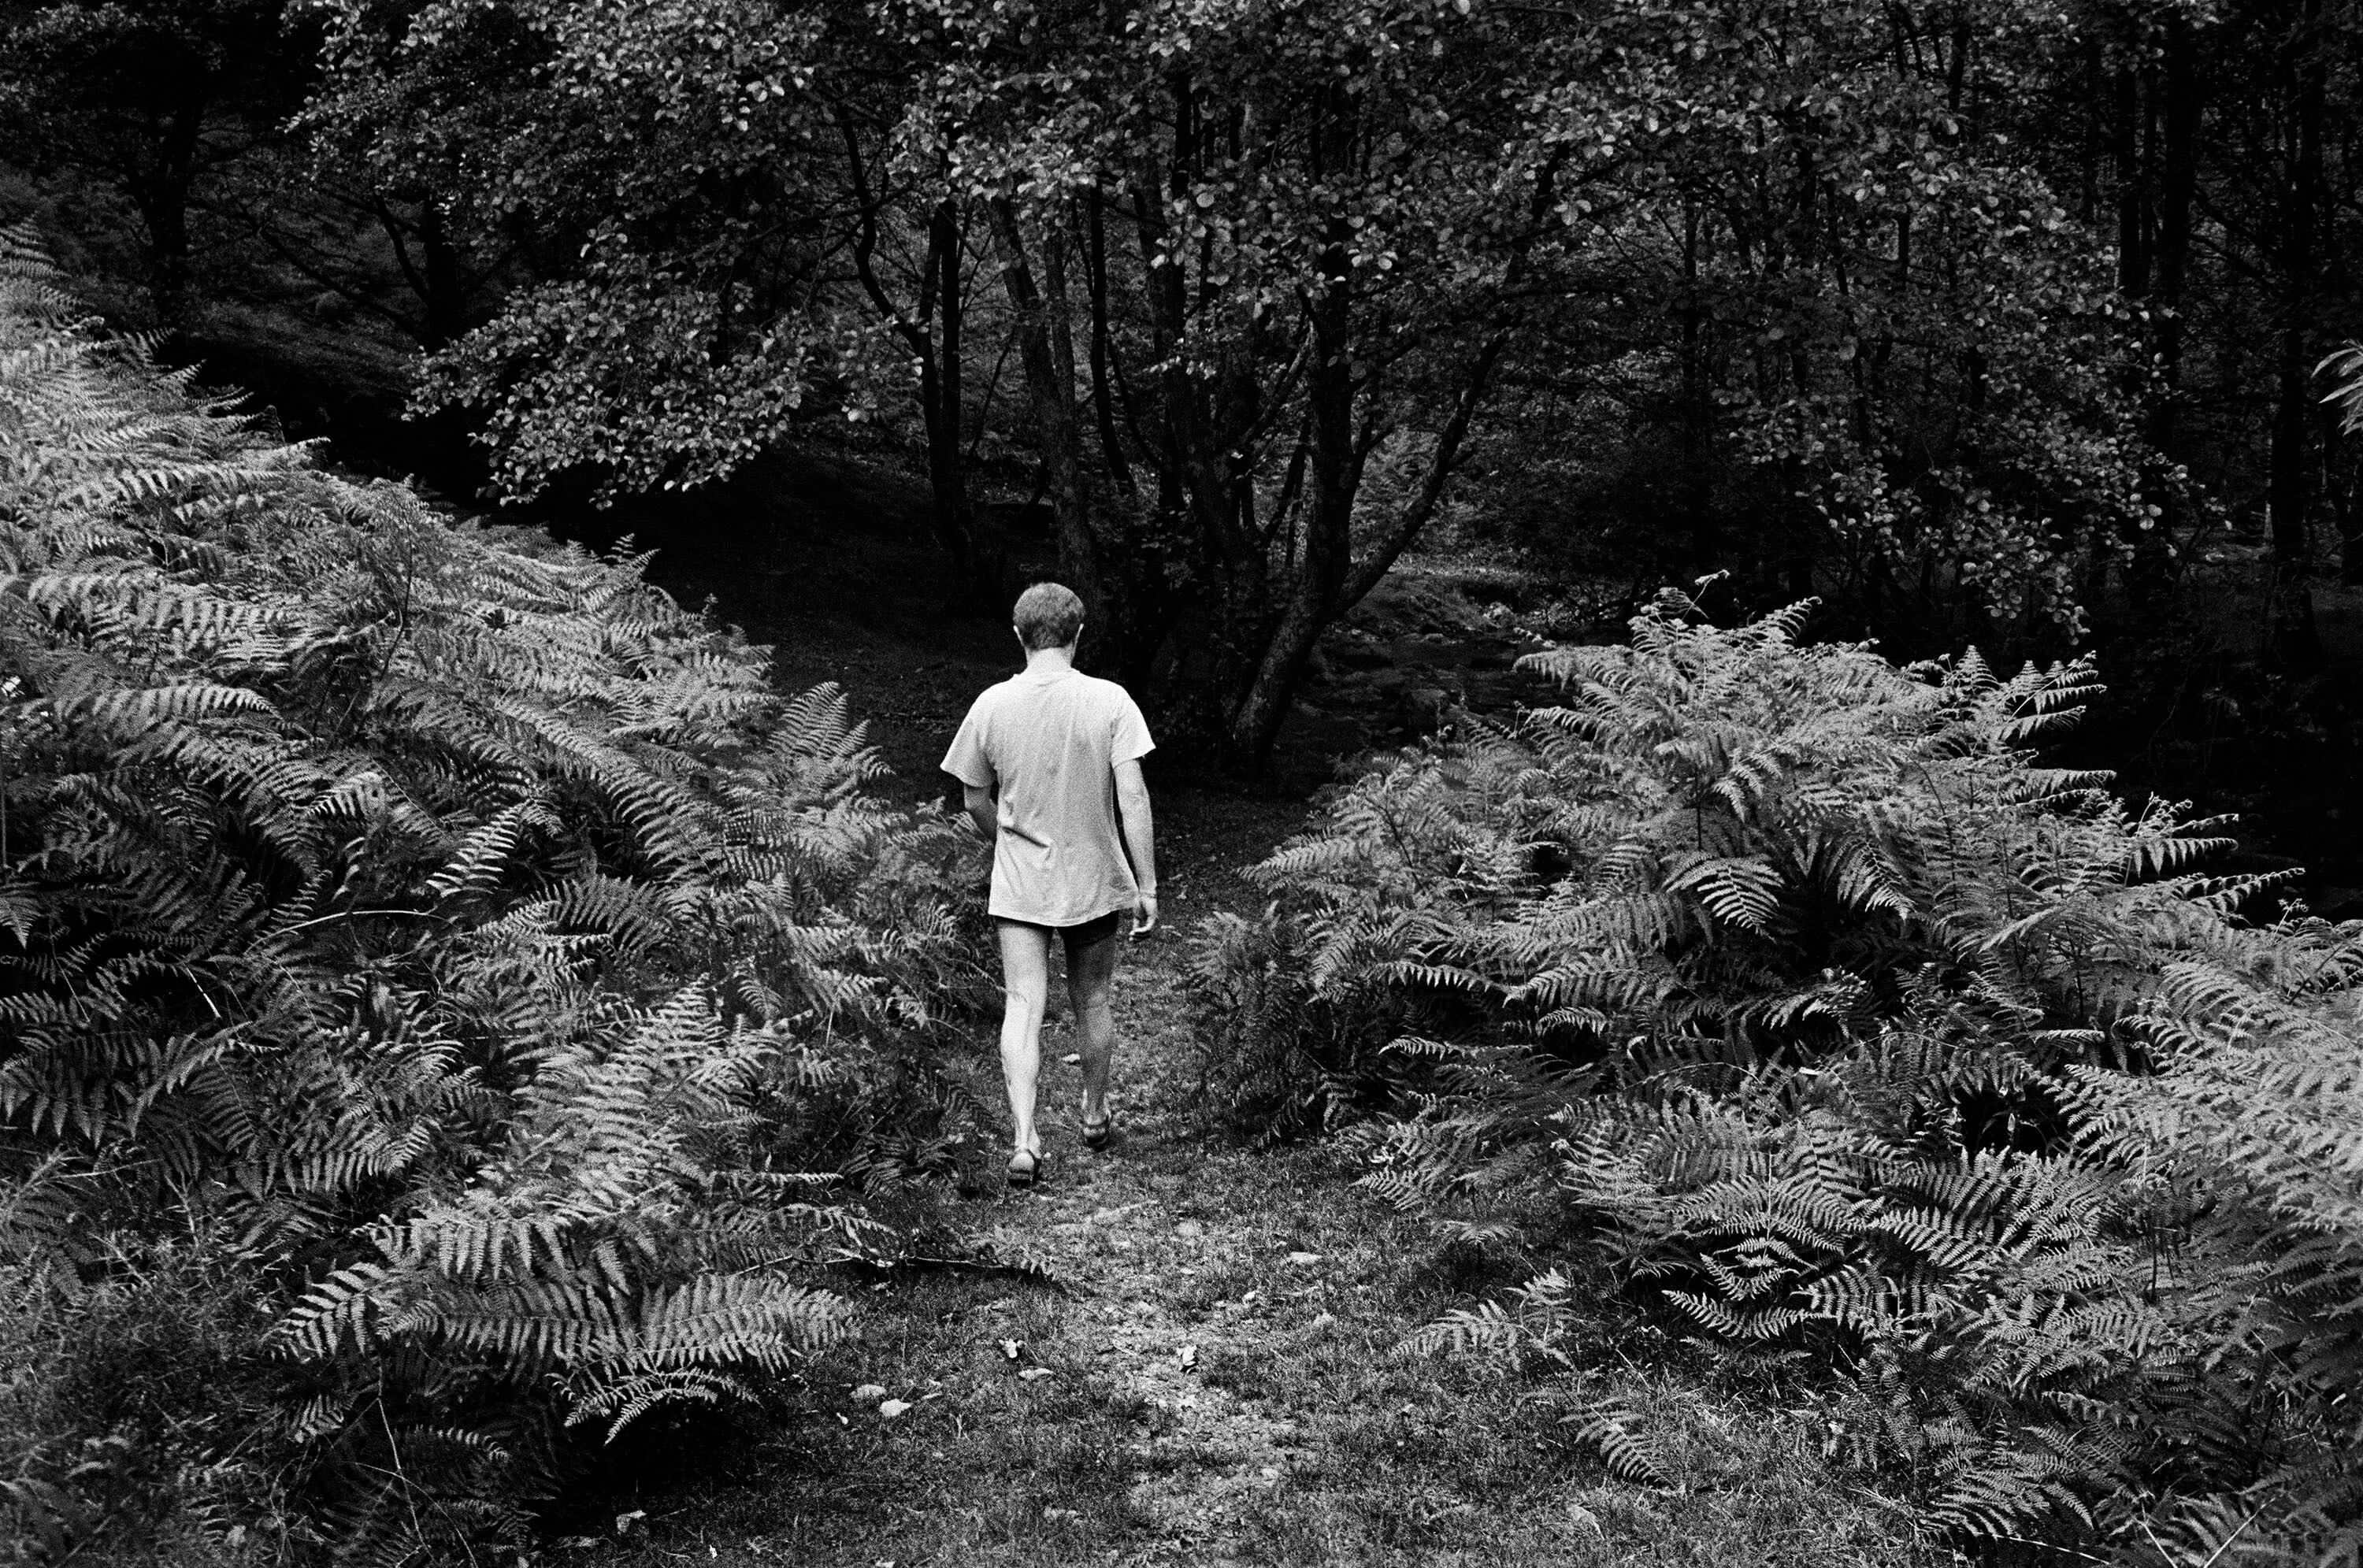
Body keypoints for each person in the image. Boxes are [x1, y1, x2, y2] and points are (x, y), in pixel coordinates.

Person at [941, 582, 1159, 1187]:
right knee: (1093, 999)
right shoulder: (1111, 701)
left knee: (1023, 1004)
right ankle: (1092, 1113)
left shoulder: (990, 705)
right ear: (1078, 632)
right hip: (1092, 877)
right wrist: (1147, 884)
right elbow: (1133, 793)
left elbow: (972, 796)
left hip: (1020, 883)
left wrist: (1006, 839)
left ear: (1019, 635)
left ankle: (1024, 1137)